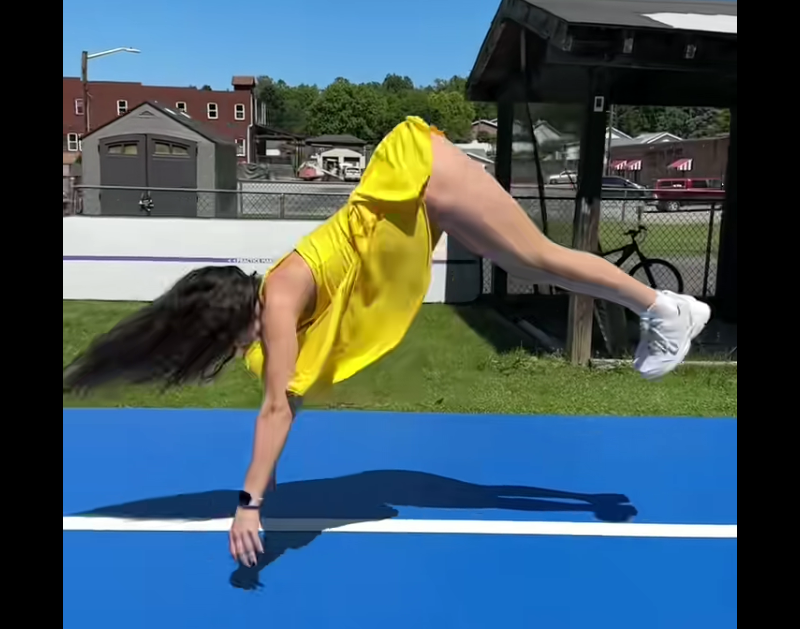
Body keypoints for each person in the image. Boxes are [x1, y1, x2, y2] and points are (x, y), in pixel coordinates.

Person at [63, 116, 709, 567]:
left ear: (229, 320)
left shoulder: (279, 300)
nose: (231, 354)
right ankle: (658, 314)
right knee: (529, 262)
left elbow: (278, 405)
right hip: (416, 185)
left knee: (538, 257)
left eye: (221, 343)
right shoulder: (275, 298)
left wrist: (248, 503)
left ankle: (664, 308)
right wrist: (268, 471)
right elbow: (285, 393)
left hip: (421, 176)